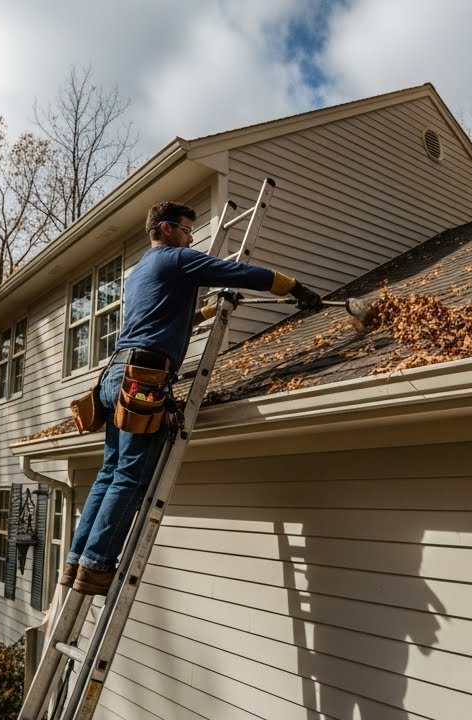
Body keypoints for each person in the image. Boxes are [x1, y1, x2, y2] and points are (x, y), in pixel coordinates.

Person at [62, 201, 322, 594]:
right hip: (143, 377)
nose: (190, 238)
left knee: (109, 473)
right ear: (166, 230)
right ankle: (98, 565)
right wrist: (293, 287)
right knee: (130, 475)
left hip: (116, 375)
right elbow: (237, 272)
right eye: (187, 230)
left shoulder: (139, 273)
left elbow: (160, 318)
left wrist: (206, 312)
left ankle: (76, 562)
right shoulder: (176, 259)